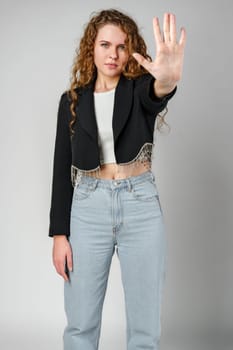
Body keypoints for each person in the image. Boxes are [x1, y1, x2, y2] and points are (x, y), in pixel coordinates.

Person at [48, 8, 186, 350]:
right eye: (105, 45)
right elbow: (61, 169)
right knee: (80, 324)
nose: (113, 54)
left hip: (139, 205)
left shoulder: (139, 90)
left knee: (144, 330)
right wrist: (59, 235)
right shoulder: (72, 101)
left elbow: (158, 93)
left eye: (122, 47)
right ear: (91, 49)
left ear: (130, 52)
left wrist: (167, 80)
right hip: (87, 208)